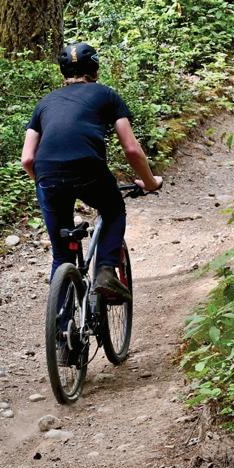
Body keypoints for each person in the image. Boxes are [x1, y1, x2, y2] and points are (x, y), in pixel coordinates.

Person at [21, 42, 162, 301]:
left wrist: (45, 185)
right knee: (113, 210)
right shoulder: (106, 95)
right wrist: (150, 182)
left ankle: (61, 323)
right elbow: (131, 149)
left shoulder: (44, 103)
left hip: (47, 174)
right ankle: (106, 270)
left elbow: (27, 159)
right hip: (88, 168)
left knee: (62, 255)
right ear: (95, 70)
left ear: (63, 72)